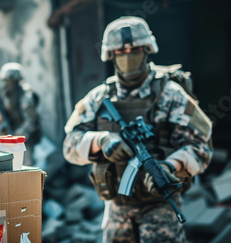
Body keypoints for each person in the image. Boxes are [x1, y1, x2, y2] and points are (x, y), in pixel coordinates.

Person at [63, 16, 213, 242]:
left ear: (147, 50)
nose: (128, 56)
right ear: (111, 56)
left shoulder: (170, 94)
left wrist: (170, 165)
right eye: (121, 52)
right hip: (116, 210)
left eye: (134, 49)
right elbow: (70, 145)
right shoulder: (99, 97)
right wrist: (101, 141)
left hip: (161, 211)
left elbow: (201, 147)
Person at [0, 62, 41, 166]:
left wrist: (18, 135)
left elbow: (31, 120)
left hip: (22, 138)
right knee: (5, 165)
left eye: (11, 81)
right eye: (6, 81)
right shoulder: (1, 93)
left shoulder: (26, 95)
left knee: (25, 165)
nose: (8, 84)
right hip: (6, 136)